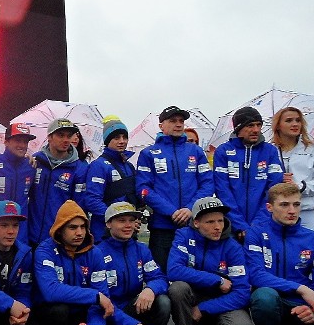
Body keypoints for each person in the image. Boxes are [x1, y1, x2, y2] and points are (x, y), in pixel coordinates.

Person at [33, 200, 114, 325]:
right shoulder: (44, 250)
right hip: (49, 314)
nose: (79, 233)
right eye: (72, 227)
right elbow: (51, 291)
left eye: (82, 227)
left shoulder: (95, 253)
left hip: (81, 315)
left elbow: (102, 299)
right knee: (58, 311)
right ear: (60, 229)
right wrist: (95, 296)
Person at [245, 183, 314, 325]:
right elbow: (256, 275)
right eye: (284, 205)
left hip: (303, 304)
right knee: (264, 297)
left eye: (296, 204)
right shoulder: (256, 234)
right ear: (269, 207)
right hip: (272, 300)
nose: (292, 211)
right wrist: (301, 288)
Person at [167, 196, 255, 325]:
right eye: (210, 222)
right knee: (178, 289)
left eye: (220, 221)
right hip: (195, 295)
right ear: (196, 223)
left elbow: (242, 293)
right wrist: (217, 280)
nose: (217, 227)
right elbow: (173, 270)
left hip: (223, 300)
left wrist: (203, 308)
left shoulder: (232, 247)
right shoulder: (184, 236)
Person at [136, 106, 214, 272]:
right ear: (161, 126)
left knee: (194, 274)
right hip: (162, 227)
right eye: (173, 121)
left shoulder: (196, 151)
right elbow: (143, 189)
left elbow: (208, 184)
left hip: (193, 225)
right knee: (161, 276)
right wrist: (171, 211)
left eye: (181, 121)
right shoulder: (148, 154)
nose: (178, 124)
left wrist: (190, 209)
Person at [97, 202, 170, 325]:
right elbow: (101, 301)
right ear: (108, 224)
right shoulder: (97, 253)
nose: (128, 225)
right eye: (121, 220)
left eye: (132, 220)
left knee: (163, 301)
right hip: (109, 313)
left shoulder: (141, 249)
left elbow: (160, 278)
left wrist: (150, 289)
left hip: (132, 306)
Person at [213, 106, 283, 242]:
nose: (256, 130)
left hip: (263, 224)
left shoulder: (270, 151)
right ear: (238, 128)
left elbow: (274, 190)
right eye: (250, 125)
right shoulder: (223, 151)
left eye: (259, 125)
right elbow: (223, 191)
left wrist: (257, 225)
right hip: (231, 226)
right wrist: (240, 225)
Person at [28, 118, 87, 248]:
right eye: (61, 135)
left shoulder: (78, 168)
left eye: (69, 135)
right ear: (49, 137)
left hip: (57, 240)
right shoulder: (36, 160)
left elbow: (78, 208)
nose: (66, 140)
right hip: (29, 236)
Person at [272, 106, 314, 234]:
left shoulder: (313, 150)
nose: (295, 124)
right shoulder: (269, 151)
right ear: (278, 125)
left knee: (312, 252)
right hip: (279, 214)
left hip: (309, 211)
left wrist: (300, 187)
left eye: (298, 120)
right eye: (289, 120)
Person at [85, 117, 140, 242]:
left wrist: (132, 219)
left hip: (127, 233)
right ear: (107, 140)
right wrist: (115, 219)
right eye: (116, 138)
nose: (122, 141)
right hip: (104, 233)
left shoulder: (129, 166)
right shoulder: (98, 165)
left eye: (124, 137)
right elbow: (92, 200)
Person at [0, 122, 36, 243]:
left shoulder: (31, 166)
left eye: (25, 142)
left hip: (19, 234)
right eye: (18, 140)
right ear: (6, 141)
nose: (22, 145)